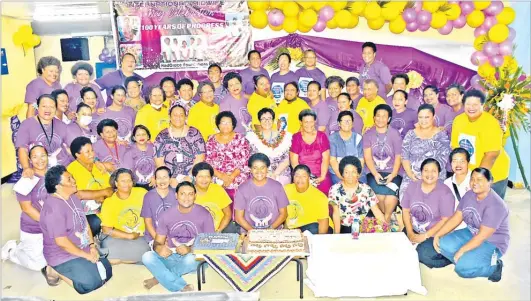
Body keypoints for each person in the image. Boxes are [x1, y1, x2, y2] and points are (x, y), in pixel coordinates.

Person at [1, 146, 112, 272]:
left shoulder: (56, 174)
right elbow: (26, 208)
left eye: (43, 155)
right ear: (30, 159)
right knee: (39, 265)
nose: (40, 160)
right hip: (35, 228)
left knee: (71, 248)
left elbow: (74, 194)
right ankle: (14, 250)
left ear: (47, 156)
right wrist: (50, 225)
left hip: (59, 225)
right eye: (35, 157)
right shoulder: (26, 180)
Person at [39, 165, 112, 294]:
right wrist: (87, 256)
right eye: (69, 179)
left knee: (107, 272)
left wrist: (92, 246)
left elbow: (85, 224)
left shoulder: (73, 197)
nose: (74, 180)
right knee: (89, 284)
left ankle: (83, 263)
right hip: (62, 254)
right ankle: (53, 270)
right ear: (58, 186)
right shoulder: (53, 209)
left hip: (81, 245)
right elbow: (62, 243)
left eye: (72, 177)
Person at [433, 168, 509, 282]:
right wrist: (438, 234)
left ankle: (494, 267)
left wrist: (462, 250)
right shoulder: (469, 195)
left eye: (479, 179)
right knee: (442, 244)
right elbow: (456, 217)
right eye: (472, 179)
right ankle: (468, 259)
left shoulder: (495, 205)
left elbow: (482, 236)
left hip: (492, 242)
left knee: (463, 269)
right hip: (472, 232)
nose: (474, 183)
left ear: (490, 181)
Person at [142, 181, 214, 292]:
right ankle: (180, 286)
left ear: (195, 196)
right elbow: (158, 242)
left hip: (193, 256)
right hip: (171, 255)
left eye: (190, 194)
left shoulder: (204, 214)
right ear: (176, 196)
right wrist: (158, 248)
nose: (187, 198)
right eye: (182, 194)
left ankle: (159, 278)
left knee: (190, 259)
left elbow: (209, 244)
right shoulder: (166, 215)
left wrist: (190, 249)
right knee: (147, 256)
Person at [451, 89, 510, 199]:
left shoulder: (490, 123)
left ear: (482, 105)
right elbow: (456, 148)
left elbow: (491, 155)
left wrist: (477, 179)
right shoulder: (458, 120)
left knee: (489, 209)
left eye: (475, 104)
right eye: (468, 104)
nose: (471, 108)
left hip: (493, 172)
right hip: (470, 172)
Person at [402, 158, 456, 268]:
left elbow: (445, 220)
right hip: (414, 229)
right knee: (399, 247)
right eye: (426, 170)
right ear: (421, 172)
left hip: (435, 234)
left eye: (433, 171)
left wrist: (425, 236)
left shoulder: (445, 193)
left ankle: (453, 258)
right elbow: (405, 210)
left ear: (439, 173)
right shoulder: (413, 186)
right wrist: (409, 232)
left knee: (422, 255)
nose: (429, 174)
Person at [99, 168, 150, 265]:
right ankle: (130, 259)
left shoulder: (142, 193)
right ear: (116, 183)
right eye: (123, 181)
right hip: (118, 236)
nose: (127, 184)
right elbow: (106, 229)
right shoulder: (109, 202)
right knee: (109, 247)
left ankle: (118, 260)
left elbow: (152, 214)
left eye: (129, 180)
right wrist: (129, 236)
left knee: (146, 250)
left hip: (140, 236)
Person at [401, 104, 451, 200]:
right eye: (420, 117)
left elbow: (443, 158)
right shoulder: (410, 134)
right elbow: (405, 156)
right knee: (406, 198)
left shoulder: (441, 135)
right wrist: (411, 174)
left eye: (427, 117)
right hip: (412, 176)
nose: (423, 120)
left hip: (434, 177)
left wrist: (427, 176)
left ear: (433, 117)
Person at [363, 104, 403, 222]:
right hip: (374, 172)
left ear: (389, 119)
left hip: (392, 172)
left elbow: (398, 156)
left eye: (384, 116)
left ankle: (386, 220)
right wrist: (375, 174)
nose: (380, 119)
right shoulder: (368, 134)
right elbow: (368, 157)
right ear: (374, 117)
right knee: (379, 197)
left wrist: (393, 174)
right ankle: (387, 223)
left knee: (390, 199)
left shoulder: (394, 134)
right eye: (378, 116)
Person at [17, 94, 70, 179]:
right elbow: (22, 148)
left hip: (61, 167)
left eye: (52, 107)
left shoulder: (62, 125)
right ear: (37, 107)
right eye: (44, 106)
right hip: (37, 168)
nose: (48, 110)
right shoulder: (26, 125)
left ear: (56, 108)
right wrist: (26, 168)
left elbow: (69, 147)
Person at [68, 137, 113, 235]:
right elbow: (77, 194)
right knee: (95, 223)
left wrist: (104, 195)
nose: (92, 154)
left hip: (107, 204)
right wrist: (101, 193)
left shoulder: (99, 165)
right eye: (87, 152)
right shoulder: (71, 170)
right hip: (87, 211)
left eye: (92, 150)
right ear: (77, 155)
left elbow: (111, 187)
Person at [329, 156, 387, 233]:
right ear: (342, 173)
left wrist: (386, 228)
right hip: (346, 227)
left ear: (358, 174)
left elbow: (376, 210)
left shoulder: (366, 189)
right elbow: (336, 214)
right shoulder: (334, 189)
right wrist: (337, 234)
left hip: (364, 227)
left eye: (353, 172)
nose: (350, 175)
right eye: (346, 172)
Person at [234, 154, 289, 231]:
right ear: (250, 169)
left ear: (267, 169)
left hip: (273, 232)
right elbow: (239, 218)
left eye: (262, 168)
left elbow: (283, 214)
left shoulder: (277, 186)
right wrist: (253, 232)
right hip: (249, 232)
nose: (259, 171)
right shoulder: (242, 188)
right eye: (255, 168)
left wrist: (270, 229)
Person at [154, 104, 205, 186]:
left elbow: (200, 157)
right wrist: (169, 179)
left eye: (181, 115)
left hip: (191, 178)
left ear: (185, 117)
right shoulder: (162, 135)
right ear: (170, 117)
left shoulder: (194, 133)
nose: (178, 118)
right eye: (175, 115)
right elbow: (159, 160)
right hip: (169, 180)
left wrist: (190, 177)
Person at [205, 111, 251, 199]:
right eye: (223, 123)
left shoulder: (240, 139)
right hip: (217, 175)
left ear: (233, 125)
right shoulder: (211, 139)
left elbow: (244, 161)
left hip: (237, 174)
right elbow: (208, 162)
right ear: (218, 124)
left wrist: (231, 177)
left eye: (229, 123)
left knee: (236, 187)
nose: (226, 125)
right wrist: (221, 176)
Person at [246, 108, 292, 186]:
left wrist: (275, 174)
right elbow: (251, 159)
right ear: (259, 121)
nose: (266, 121)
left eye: (269, 118)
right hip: (259, 173)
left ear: (273, 120)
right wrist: (265, 173)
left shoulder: (286, 136)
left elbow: (288, 158)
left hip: (281, 173)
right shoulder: (252, 137)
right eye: (263, 119)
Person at [290, 110, 332, 194]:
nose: (308, 125)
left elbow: (326, 158)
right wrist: (303, 177)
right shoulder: (296, 137)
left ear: (315, 121)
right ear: (300, 122)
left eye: (311, 122)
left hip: (321, 175)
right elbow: (294, 161)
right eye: (306, 122)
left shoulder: (322, 136)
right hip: (301, 176)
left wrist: (322, 177)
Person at [284, 165, 330, 234]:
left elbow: (323, 223)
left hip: (314, 226)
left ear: (309, 178)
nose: (300, 179)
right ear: (293, 178)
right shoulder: (286, 189)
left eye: (304, 176)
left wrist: (319, 241)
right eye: (297, 176)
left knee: (314, 228)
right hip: (294, 227)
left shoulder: (319, 197)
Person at [192, 162, 234, 233]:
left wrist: (218, 231)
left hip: (219, 230)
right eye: (200, 176)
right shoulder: (189, 191)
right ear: (194, 178)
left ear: (211, 178)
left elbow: (228, 214)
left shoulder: (218, 189)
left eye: (207, 176)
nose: (204, 180)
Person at [329, 111, 364, 184]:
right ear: (339, 123)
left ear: (353, 123)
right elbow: (333, 160)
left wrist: (356, 176)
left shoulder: (358, 138)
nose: (347, 123)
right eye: (344, 121)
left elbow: (361, 160)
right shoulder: (332, 138)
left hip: (356, 173)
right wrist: (342, 177)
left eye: (349, 121)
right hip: (338, 173)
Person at [121, 125, 156, 190]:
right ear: (134, 138)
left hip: (153, 181)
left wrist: (156, 177)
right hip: (136, 185)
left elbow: (158, 164)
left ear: (148, 136)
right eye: (138, 135)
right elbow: (128, 173)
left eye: (143, 134)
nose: (141, 137)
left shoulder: (153, 147)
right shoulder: (129, 152)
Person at [444, 148, 471, 230]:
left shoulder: (475, 181)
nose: (458, 165)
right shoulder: (447, 183)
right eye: (455, 161)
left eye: (462, 161)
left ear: (468, 162)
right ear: (451, 164)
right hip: (451, 226)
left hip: (470, 228)